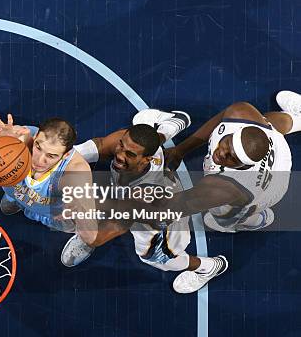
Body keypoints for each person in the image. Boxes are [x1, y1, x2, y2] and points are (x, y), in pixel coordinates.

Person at [70, 112, 227, 293]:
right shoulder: (130, 146)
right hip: (130, 195)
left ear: (146, 160)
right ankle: (176, 122)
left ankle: (209, 267)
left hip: (159, 222)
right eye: (121, 145)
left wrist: (81, 224)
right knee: (150, 141)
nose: (120, 155)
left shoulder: (146, 193)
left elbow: (103, 234)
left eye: (129, 154)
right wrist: (60, 157)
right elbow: (97, 146)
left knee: (159, 259)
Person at [163, 90, 299, 232]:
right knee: (266, 124)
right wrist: (180, 150)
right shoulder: (240, 112)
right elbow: (221, 119)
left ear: (244, 165)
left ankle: (257, 220)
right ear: (236, 132)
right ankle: (298, 119)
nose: (221, 153)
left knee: (221, 215)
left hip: (272, 188)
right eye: (227, 144)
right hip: (279, 146)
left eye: (231, 157)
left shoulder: (225, 188)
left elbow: (176, 206)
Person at [0, 115, 97, 260]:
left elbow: (92, 233)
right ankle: (16, 201)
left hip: (52, 213)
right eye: (38, 147)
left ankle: (81, 242)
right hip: (23, 195)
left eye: (51, 156)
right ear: (36, 136)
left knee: (86, 232)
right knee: (13, 192)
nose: (39, 160)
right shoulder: (22, 136)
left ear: (66, 154)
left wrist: (82, 215)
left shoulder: (76, 172)